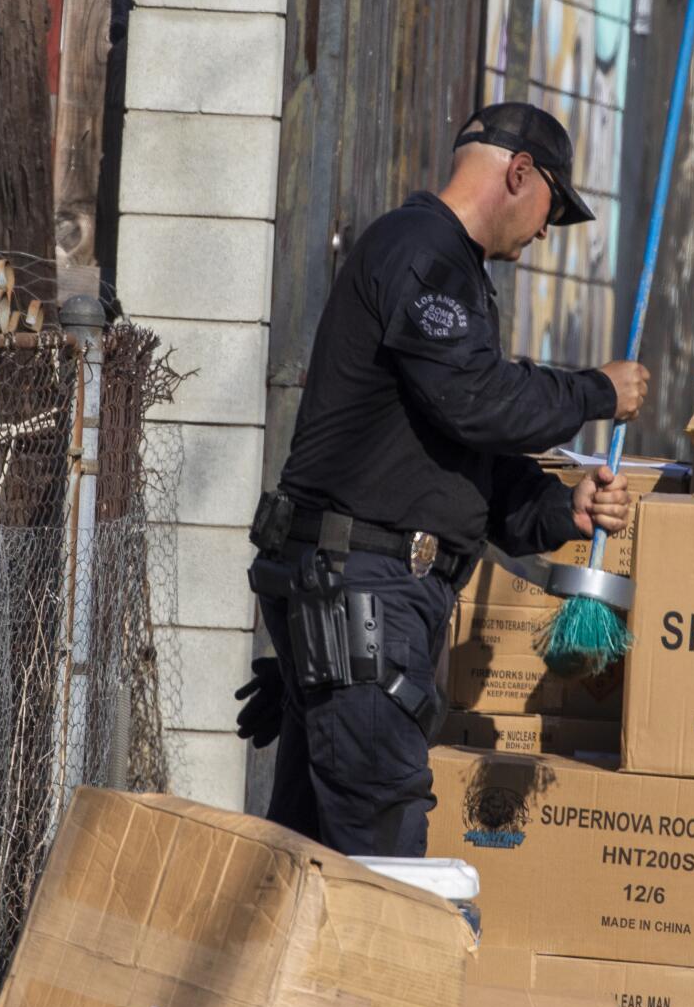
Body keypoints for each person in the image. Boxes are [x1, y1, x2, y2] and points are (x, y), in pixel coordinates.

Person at [240, 102, 649, 857]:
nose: (540, 241)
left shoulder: (448, 273)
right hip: (362, 596)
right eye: (550, 215)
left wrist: (565, 509)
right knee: (384, 855)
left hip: (360, 594)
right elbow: (478, 400)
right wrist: (596, 392)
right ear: (520, 174)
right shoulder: (422, 254)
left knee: (305, 859)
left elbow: (457, 460)